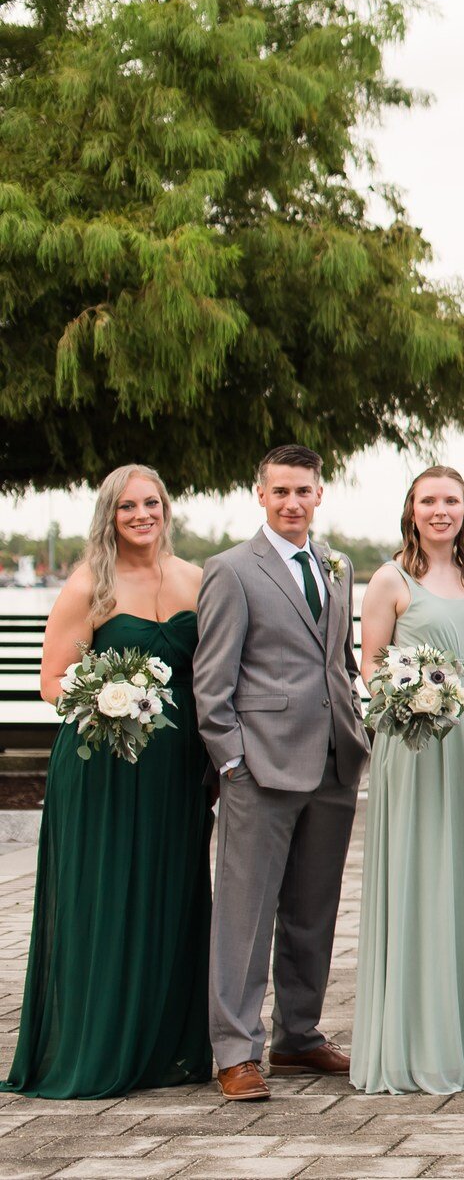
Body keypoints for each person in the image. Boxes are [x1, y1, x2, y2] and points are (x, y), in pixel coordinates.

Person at [4, 465, 211, 1098]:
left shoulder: (197, 581)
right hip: (104, 768)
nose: (142, 515)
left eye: (152, 503)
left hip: (176, 770)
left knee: (170, 895)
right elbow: (52, 684)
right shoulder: (87, 586)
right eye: (128, 507)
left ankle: (163, 1047)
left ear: (166, 509)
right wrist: (111, 698)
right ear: (110, 516)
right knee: (106, 897)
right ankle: (95, 1045)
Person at [195, 444, 371, 1102]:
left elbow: (340, 657)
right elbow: (212, 680)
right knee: (244, 911)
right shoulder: (232, 570)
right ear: (260, 493)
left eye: (304, 490)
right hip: (260, 766)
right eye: (281, 491)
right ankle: (235, 1050)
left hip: (333, 759)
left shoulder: (338, 564)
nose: (293, 501)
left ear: (319, 494)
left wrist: (356, 716)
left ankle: (298, 1034)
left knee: (313, 906)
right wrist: (232, 760)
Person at [351, 466, 464, 1094]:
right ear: (411, 509)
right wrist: (411, 699)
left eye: (451, 501)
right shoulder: (390, 579)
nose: (440, 511)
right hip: (414, 740)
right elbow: (369, 665)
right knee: (419, 873)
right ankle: (412, 1039)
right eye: (428, 501)